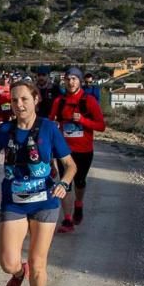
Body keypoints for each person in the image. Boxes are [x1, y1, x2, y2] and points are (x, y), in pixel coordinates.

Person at [0, 80, 77, 286]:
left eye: (24, 99)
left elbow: (70, 165)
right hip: (14, 201)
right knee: (7, 262)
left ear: (36, 99)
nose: (18, 104)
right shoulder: (5, 130)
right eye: (14, 100)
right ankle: (18, 273)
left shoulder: (49, 128)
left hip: (45, 202)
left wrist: (64, 184)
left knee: (38, 261)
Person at [49, 67, 107, 232]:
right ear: (64, 81)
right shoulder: (59, 101)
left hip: (84, 150)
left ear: (80, 81)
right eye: (68, 79)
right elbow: (50, 120)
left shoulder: (89, 101)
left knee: (79, 182)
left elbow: (101, 126)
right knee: (65, 182)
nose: (71, 82)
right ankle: (67, 219)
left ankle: (79, 204)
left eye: (74, 79)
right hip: (64, 150)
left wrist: (83, 120)